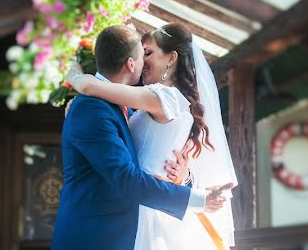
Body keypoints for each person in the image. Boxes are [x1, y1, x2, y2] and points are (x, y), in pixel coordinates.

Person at [52, 25, 229, 250]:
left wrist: (184, 178)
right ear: (130, 63)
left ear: (171, 58)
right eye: (142, 54)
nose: (144, 61)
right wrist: (193, 194)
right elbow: (128, 174)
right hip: (98, 235)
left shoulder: (158, 100)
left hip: (141, 220)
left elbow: (155, 153)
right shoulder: (97, 107)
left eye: (149, 53)